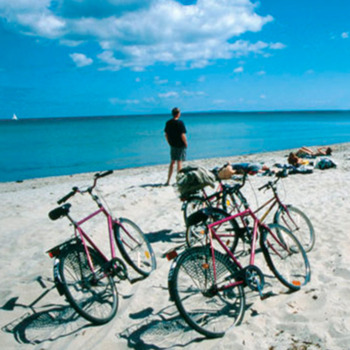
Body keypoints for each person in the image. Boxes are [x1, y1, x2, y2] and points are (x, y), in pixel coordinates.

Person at [164, 107, 188, 185]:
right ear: (178, 114)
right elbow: (182, 135)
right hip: (180, 144)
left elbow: (166, 135)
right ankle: (179, 180)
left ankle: (168, 180)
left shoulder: (168, 122)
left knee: (172, 162)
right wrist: (186, 143)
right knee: (179, 162)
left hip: (173, 144)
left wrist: (169, 142)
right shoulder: (180, 123)